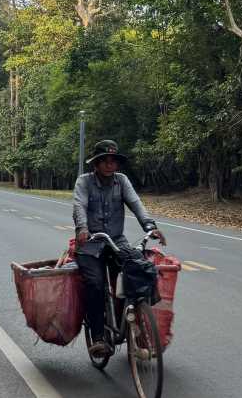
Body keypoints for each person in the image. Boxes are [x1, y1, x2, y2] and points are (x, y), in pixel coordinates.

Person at [73, 139, 166, 357]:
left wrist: (150, 227)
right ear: (95, 164)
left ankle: (138, 330)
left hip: (117, 242)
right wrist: (82, 228)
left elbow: (136, 204)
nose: (109, 165)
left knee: (140, 271)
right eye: (104, 161)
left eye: (113, 161)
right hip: (90, 244)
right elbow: (79, 206)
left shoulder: (121, 181)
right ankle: (98, 337)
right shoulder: (84, 182)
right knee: (95, 285)